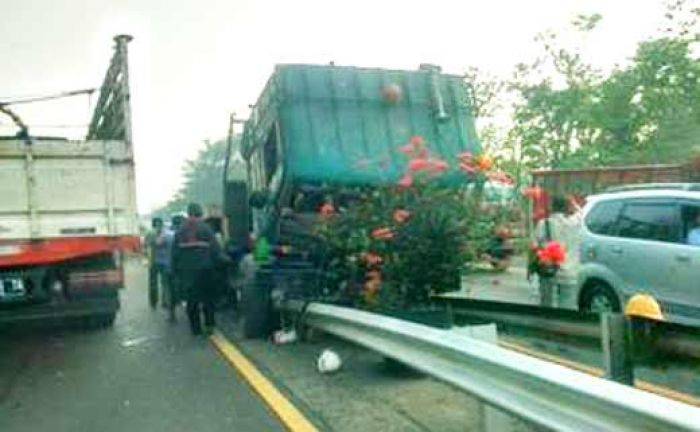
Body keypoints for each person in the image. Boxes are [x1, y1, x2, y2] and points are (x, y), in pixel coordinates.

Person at [172, 203, 226, 335]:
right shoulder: (206, 229)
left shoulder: (180, 231)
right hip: (205, 271)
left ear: (188, 213)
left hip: (187, 273)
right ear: (200, 213)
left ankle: (195, 329)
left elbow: (175, 254)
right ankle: (209, 325)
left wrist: (176, 272)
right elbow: (216, 251)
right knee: (208, 299)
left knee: (192, 301)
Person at [534, 195, 582, 307]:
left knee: (546, 304)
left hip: (548, 270)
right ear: (567, 207)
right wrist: (574, 204)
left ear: (552, 207)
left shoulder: (543, 224)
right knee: (567, 306)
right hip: (570, 273)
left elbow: (535, 246)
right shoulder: (574, 223)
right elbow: (581, 213)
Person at [145, 217, 168, 309]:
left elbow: (146, 245)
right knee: (165, 282)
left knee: (153, 283)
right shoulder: (165, 233)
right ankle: (165, 301)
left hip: (153, 260)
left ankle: (153, 301)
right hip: (164, 261)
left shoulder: (149, 233)